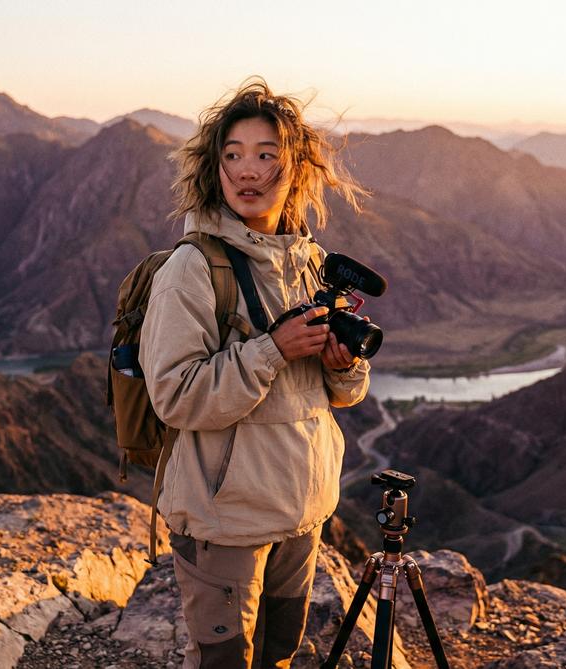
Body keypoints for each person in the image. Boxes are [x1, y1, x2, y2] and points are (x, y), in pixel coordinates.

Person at [138, 77, 371, 668]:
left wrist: (342, 369)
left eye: (267, 155)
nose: (247, 171)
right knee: (224, 662)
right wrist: (273, 349)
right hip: (225, 519)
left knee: (279, 655)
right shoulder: (192, 269)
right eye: (233, 155)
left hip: (299, 508)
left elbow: (337, 395)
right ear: (213, 169)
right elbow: (176, 396)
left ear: (295, 168)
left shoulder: (310, 263)